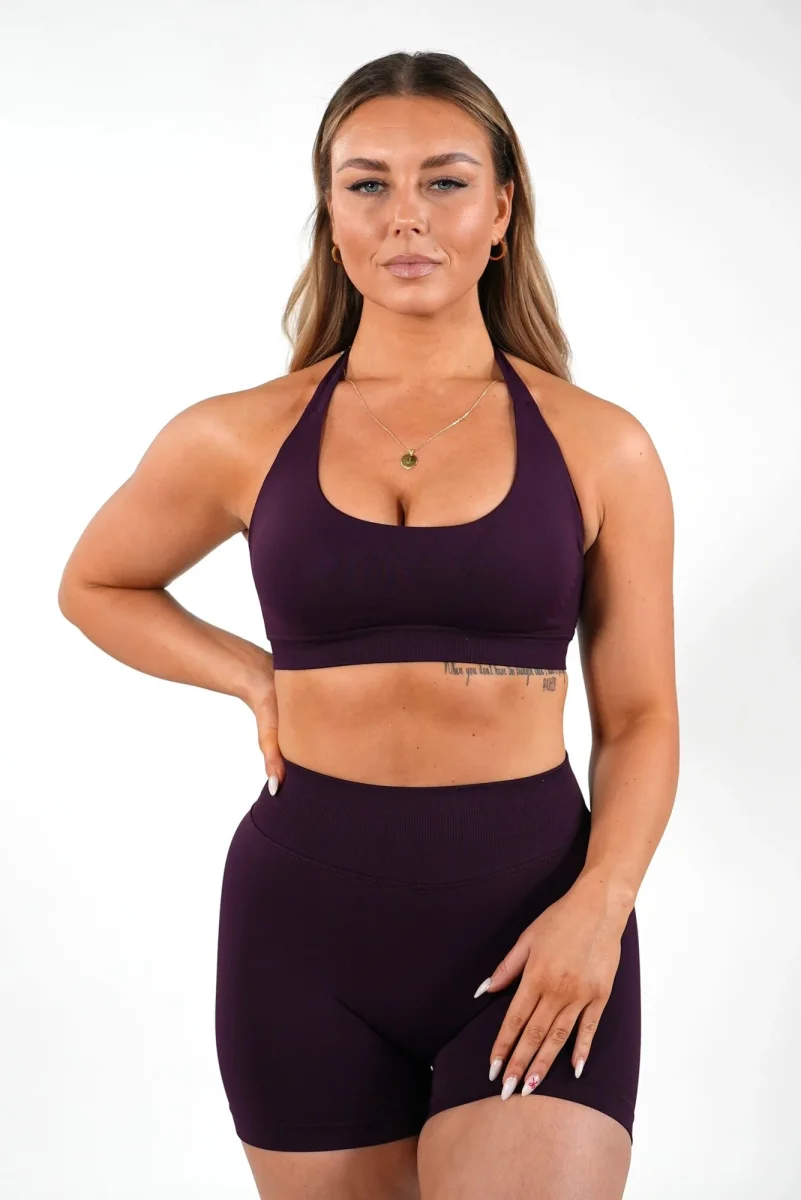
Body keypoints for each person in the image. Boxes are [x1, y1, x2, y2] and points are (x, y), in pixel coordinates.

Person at [58, 49, 679, 1200]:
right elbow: (96, 584)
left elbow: (639, 717)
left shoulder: (603, 447)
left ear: (502, 212)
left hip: (536, 925)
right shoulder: (239, 434)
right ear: (330, 213)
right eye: (367, 184)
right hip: (302, 936)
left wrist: (601, 908)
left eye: (444, 181)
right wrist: (252, 677)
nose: (407, 216)